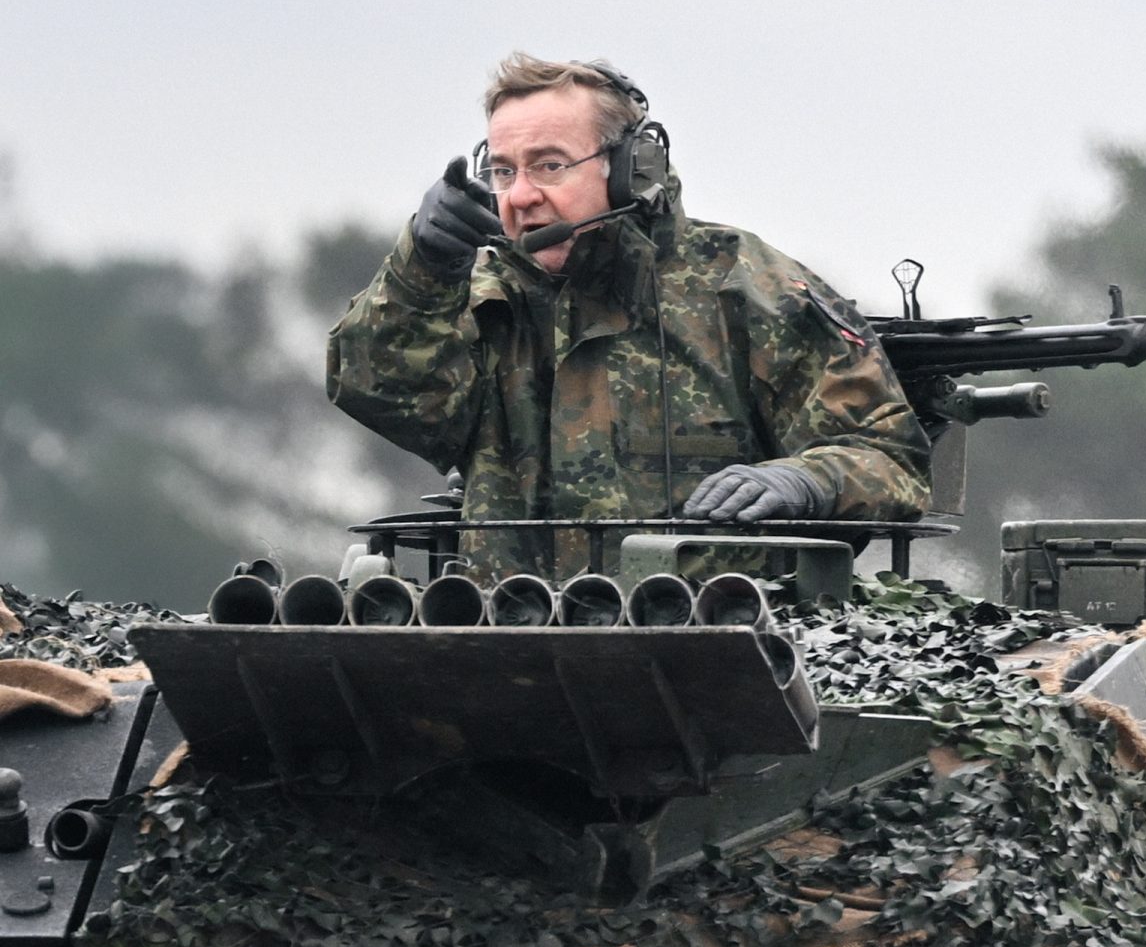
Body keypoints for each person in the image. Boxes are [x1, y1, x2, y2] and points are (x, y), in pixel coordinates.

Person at [327, 53, 930, 580]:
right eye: (504, 171)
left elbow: (890, 458)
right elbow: (380, 390)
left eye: (549, 165)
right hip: (516, 653)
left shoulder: (746, 289)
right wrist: (425, 265)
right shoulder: (480, 303)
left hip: (719, 656)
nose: (520, 196)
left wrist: (806, 482)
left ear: (630, 167)